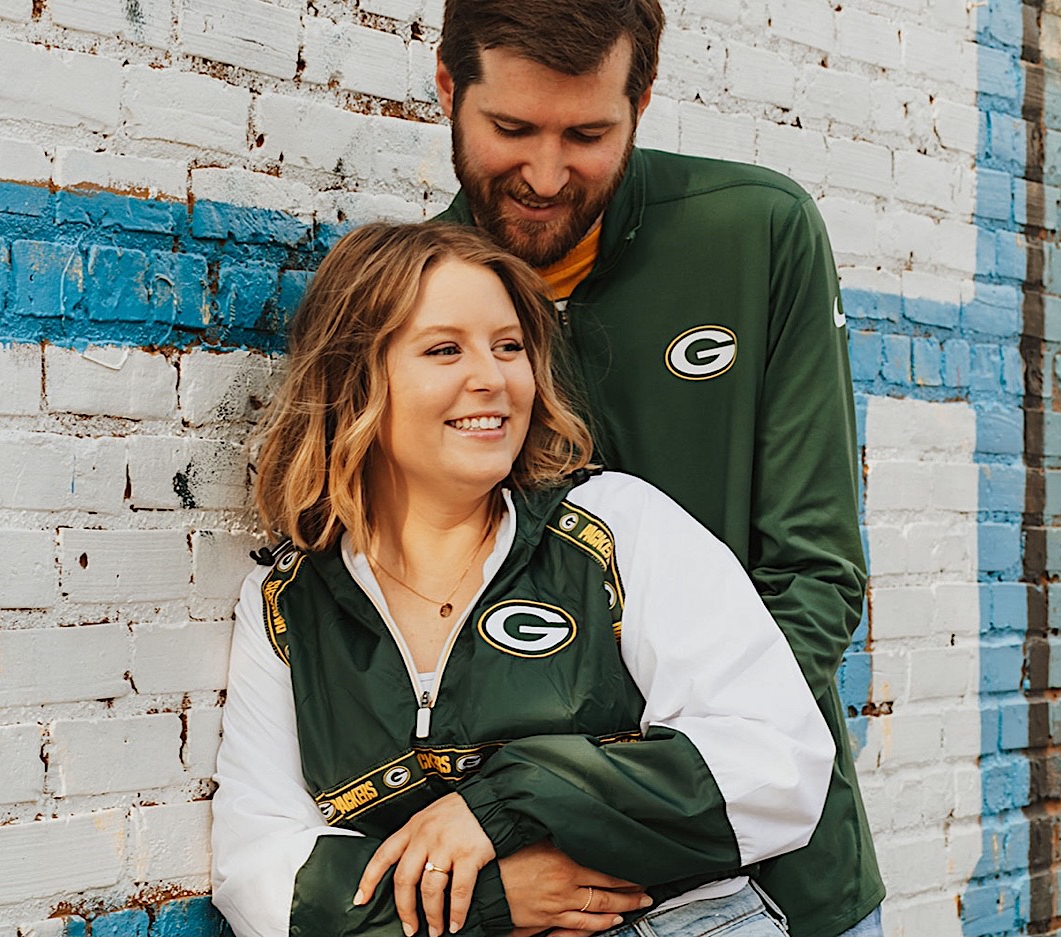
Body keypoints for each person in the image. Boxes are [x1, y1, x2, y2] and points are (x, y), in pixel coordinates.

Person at [211, 222, 835, 937]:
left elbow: (777, 765)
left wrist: (511, 801)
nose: (494, 378)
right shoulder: (288, 606)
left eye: (508, 347)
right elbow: (262, 871)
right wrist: (493, 899)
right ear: (356, 379)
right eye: (445, 349)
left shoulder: (613, 528)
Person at [428, 2, 881, 936]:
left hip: (780, 886)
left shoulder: (759, 233)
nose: (546, 175)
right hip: (542, 902)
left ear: (641, 102)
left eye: (589, 134)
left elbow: (815, 576)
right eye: (511, 128)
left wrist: (610, 812)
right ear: (447, 91)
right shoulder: (410, 300)